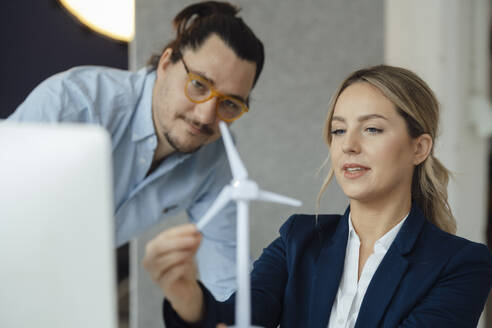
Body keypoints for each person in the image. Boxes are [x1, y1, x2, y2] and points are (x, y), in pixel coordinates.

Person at [143, 65, 492, 327]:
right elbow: (236, 319)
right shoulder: (298, 240)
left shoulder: (462, 265)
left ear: (419, 147)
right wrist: (186, 294)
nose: (349, 145)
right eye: (339, 130)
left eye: (371, 129)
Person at [7, 1, 264, 301]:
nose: (206, 115)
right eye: (198, 85)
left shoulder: (216, 156)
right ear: (167, 63)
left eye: (229, 104)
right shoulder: (74, 102)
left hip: (60, 289)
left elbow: (228, 275)